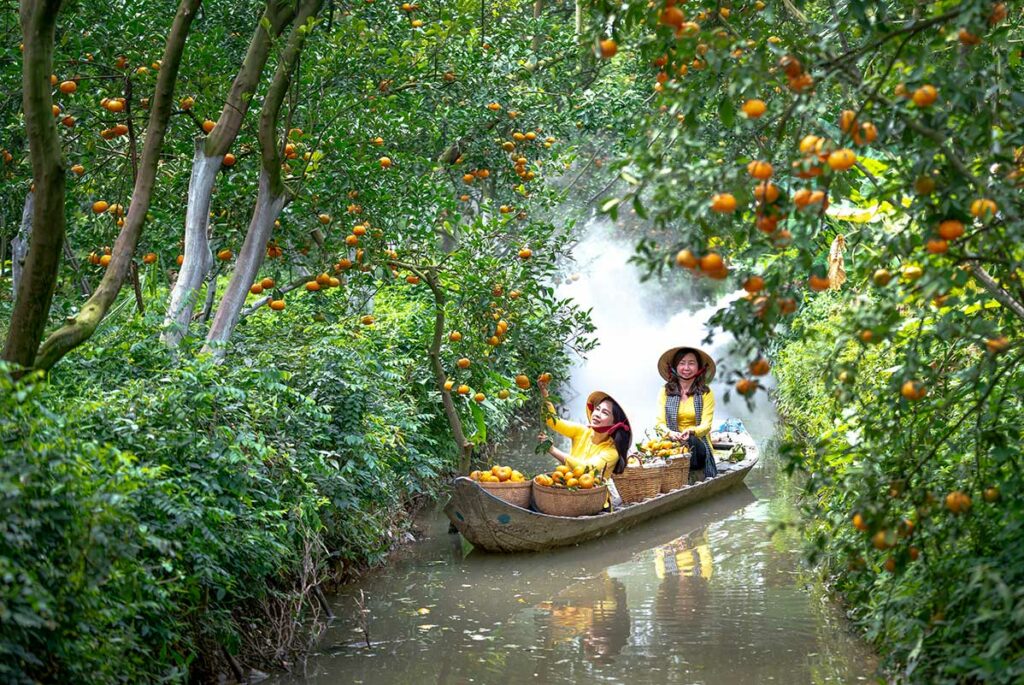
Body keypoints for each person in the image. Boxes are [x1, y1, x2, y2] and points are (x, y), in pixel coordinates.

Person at [538, 379, 631, 486]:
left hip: (593, 499)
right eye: (598, 409)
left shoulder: (612, 452)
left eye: (605, 413)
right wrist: (545, 394)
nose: (597, 414)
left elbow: (585, 469)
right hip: (568, 487)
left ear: (615, 422)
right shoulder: (581, 431)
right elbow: (552, 421)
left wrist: (552, 450)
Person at [655, 346, 718, 483]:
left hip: (697, 444)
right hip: (672, 442)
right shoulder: (665, 391)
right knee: (659, 448)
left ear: (699, 367)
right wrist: (670, 433)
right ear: (675, 367)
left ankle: (692, 476)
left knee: (690, 441)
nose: (686, 368)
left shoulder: (706, 392)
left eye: (691, 363)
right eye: (682, 363)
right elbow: (659, 424)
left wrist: (691, 432)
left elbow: (706, 425)